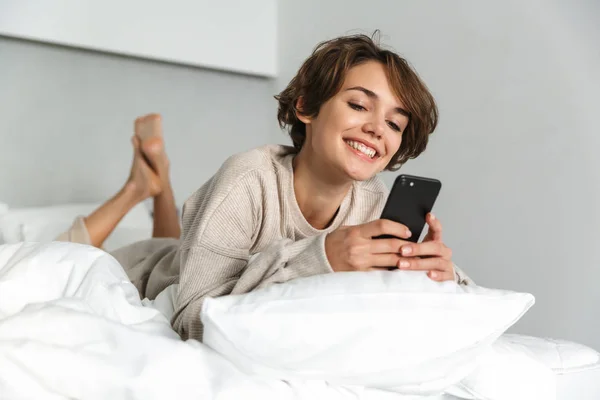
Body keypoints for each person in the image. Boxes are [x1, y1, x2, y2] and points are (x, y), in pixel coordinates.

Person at [57, 33, 473, 341]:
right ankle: (140, 186)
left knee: (174, 241)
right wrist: (321, 256)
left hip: (184, 253)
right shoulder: (247, 179)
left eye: (395, 123)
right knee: (67, 255)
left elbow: (462, 300)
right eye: (359, 105)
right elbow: (189, 319)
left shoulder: (375, 203)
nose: (376, 129)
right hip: (145, 271)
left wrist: (440, 277)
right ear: (307, 106)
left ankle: (159, 183)